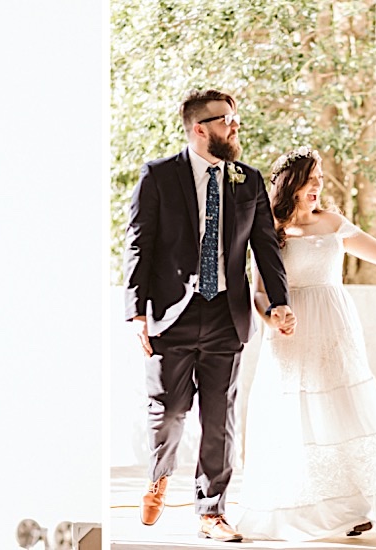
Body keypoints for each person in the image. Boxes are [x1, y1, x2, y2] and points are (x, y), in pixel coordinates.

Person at [234, 147, 376, 541]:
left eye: (320, 178)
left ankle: (355, 506)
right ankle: (302, 507)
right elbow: (257, 291)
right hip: (291, 333)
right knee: (297, 416)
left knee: (344, 410)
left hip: (335, 329)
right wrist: (273, 316)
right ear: (290, 184)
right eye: (311, 179)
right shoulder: (269, 228)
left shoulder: (333, 221)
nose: (318, 186)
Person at [122, 88, 295, 542]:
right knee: (170, 410)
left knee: (220, 416)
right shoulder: (158, 176)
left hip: (227, 314)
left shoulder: (248, 180)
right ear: (200, 129)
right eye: (226, 120)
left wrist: (279, 303)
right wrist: (136, 313)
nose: (234, 126)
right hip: (170, 314)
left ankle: (212, 510)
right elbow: (139, 243)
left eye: (235, 119)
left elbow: (265, 249)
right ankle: (159, 475)